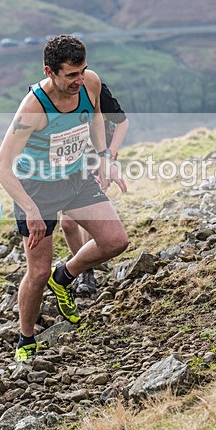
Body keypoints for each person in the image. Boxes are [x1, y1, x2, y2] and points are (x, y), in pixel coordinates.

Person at [0, 34, 130, 361]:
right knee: (37, 272)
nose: (79, 80)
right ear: (50, 72)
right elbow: (1, 167)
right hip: (36, 190)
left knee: (116, 241)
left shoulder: (89, 82)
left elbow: (96, 116)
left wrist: (104, 157)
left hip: (75, 178)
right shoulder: (34, 108)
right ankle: (26, 338)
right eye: (71, 75)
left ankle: (65, 276)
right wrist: (30, 210)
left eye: (81, 71)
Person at [60, 83, 129, 296]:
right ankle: (85, 267)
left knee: (89, 218)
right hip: (67, 162)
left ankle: (84, 272)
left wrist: (109, 157)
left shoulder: (94, 87)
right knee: (67, 224)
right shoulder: (49, 94)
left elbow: (122, 122)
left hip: (97, 159)